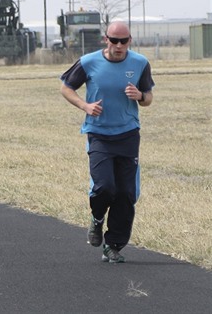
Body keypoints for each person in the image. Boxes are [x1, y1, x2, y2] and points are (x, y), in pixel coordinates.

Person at [60, 22, 154, 263]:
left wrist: (140, 96)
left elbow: (148, 98)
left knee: (125, 193)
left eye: (124, 41)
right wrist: (85, 106)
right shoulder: (89, 62)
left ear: (130, 41)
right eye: (114, 40)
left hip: (128, 134)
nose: (119, 46)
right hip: (99, 134)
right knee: (104, 187)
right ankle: (97, 219)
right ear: (106, 39)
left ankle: (113, 246)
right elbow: (66, 87)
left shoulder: (140, 63)